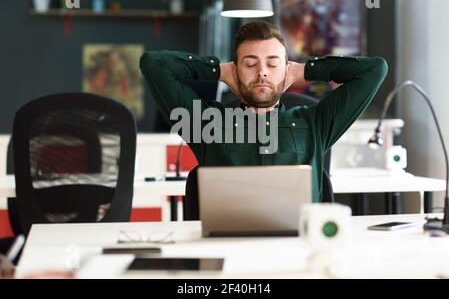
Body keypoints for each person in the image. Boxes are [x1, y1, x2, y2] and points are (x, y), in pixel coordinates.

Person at [139, 21, 388, 205]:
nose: (262, 72)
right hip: (227, 250)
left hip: (299, 249)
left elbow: (374, 70)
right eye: (250, 64)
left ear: (286, 69)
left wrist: (305, 71)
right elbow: (154, 64)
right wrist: (220, 71)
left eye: (272, 63)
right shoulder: (205, 125)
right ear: (237, 69)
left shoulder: (315, 122)